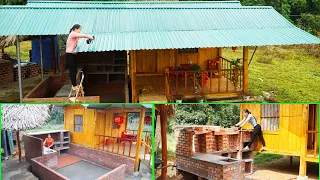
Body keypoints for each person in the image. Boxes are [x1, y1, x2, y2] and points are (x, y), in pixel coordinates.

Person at [66, 24, 94, 90]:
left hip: (73, 55)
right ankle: (74, 86)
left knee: (75, 70)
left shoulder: (75, 36)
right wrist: (90, 37)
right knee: (72, 70)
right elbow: (83, 35)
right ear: (75, 29)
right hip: (69, 54)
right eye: (79, 29)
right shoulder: (72, 34)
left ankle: (74, 84)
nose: (80, 31)